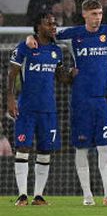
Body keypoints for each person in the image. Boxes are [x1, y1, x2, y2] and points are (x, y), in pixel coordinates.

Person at [57, 0, 107, 205]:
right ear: (84, 14)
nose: (97, 18)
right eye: (93, 14)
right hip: (81, 99)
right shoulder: (72, 35)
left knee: (105, 146)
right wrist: (63, 70)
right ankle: (87, 195)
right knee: (81, 148)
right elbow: (47, 36)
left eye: (100, 13)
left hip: (101, 99)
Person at [7, 12, 67, 205]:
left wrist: (72, 74)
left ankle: (38, 196)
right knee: (23, 148)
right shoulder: (25, 47)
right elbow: (11, 75)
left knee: (45, 150)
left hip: (48, 109)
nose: (53, 27)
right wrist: (10, 99)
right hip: (27, 108)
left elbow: (61, 77)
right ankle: (22, 195)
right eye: (49, 24)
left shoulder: (56, 51)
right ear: (38, 27)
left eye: (55, 23)